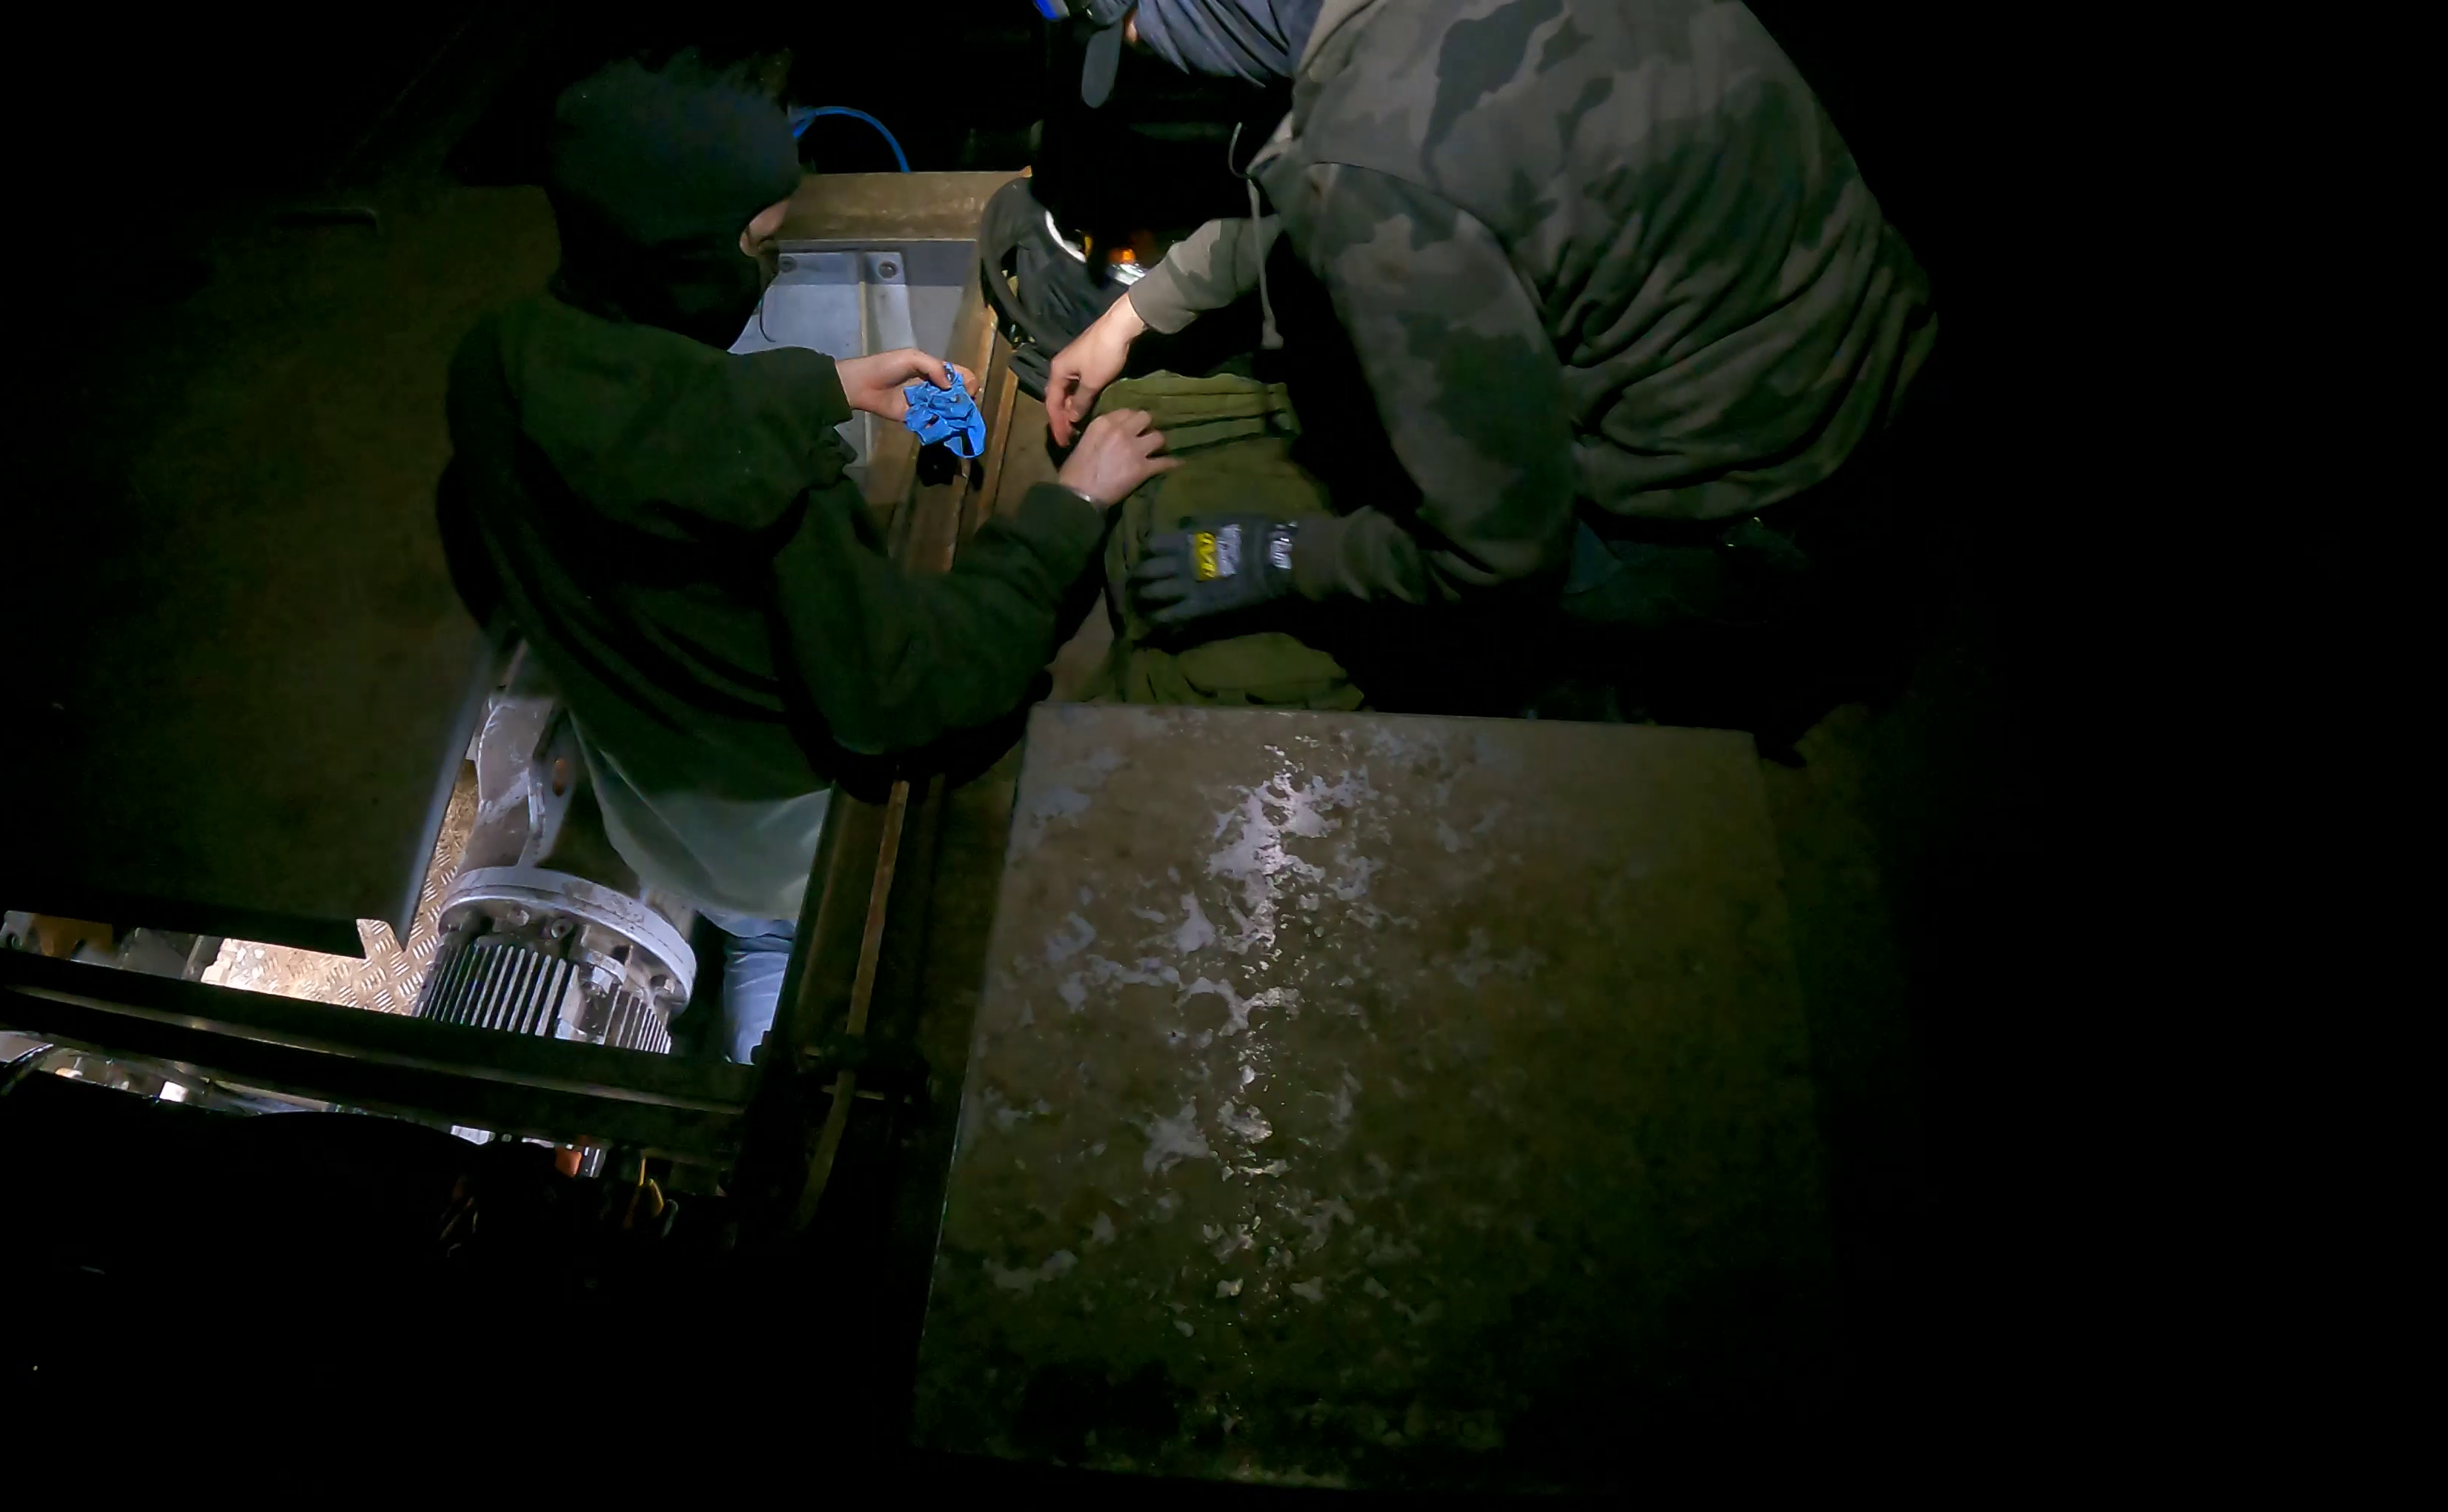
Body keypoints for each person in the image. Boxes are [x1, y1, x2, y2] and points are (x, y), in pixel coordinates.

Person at [437, 52, 1175, 1065]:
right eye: (761, 239)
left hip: (656, 806)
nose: (769, 258)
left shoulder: (493, 362)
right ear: (693, 249)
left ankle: (754, 1001)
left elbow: (645, 418)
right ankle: (768, 1052)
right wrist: (1071, 505)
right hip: (784, 827)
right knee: (798, 940)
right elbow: (903, 688)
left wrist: (818, 388)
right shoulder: (775, 499)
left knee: (746, 934)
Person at [1040, 1, 1937, 726]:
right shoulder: (1416, 65)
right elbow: (1452, 184)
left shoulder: (1376, 152)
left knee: (1453, 705)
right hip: (1865, 339)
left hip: (1743, 504)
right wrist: (1137, 310)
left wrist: (1271, 554)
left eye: (1137, 33)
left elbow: (1493, 555)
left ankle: (1653, 693)